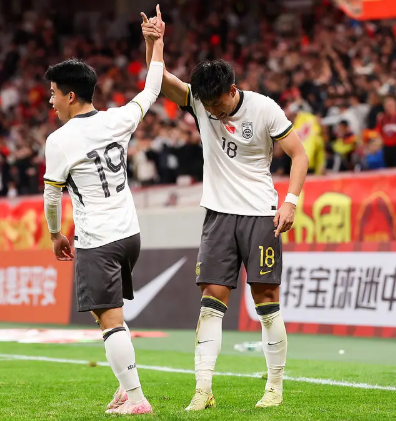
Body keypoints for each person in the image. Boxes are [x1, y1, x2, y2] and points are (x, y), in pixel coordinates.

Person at [142, 9, 309, 411]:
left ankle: (274, 388)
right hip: (218, 215)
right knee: (211, 301)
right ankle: (203, 390)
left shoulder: (265, 109)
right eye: (208, 107)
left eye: (218, 105)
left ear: (233, 90)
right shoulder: (200, 103)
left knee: (266, 300)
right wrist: (154, 42)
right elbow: (158, 80)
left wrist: (290, 202)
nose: (214, 113)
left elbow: (299, 154)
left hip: (260, 214)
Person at [42, 8, 166, 415]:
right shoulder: (118, 119)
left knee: (109, 320)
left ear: (70, 96)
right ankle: (125, 389)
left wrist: (55, 234)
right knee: (110, 318)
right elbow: (151, 88)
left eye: (54, 93)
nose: (51, 101)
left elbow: (52, 197)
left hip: (98, 239)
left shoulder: (60, 140)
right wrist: (155, 42)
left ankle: (137, 399)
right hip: (130, 234)